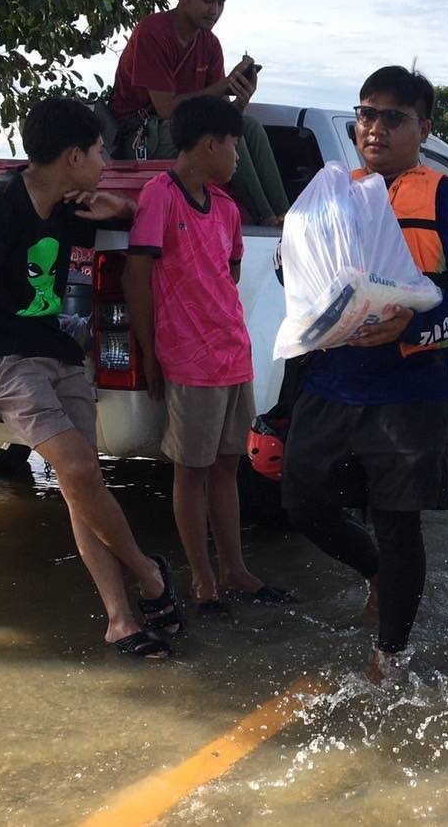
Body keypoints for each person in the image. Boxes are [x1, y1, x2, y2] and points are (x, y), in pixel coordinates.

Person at [0, 97, 183, 658]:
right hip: (2, 356)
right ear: (73, 156)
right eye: (98, 152)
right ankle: (150, 576)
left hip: (62, 352)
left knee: (79, 486)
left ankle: (120, 619)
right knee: (76, 467)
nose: (103, 160)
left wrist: (113, 203)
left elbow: (140, 216)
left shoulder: (71, 205)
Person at [280, 66, 448, 683]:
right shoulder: (331, 191)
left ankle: (390, 654)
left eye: (392, 118)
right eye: (365, 114)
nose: (373, 128)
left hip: (409, 389)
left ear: (423, 128)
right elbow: (297, 275)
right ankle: (374, 571)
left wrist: (409, 330)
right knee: (301, 500)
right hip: (330, 379)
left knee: (399, 522)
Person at [122, 96, 293, 610]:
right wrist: (151, 352)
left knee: (226, 466)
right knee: (190, 471)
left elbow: (230, 272)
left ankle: (235, 570)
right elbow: (137, 274)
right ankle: (203, 580)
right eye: (236, 145)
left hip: (232, 353)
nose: (239, 157)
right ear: (210, 143)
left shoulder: (226, 208)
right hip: (189, 359)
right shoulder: (161, 196)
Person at [109, 0, 290, 225]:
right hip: (142, 133)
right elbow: (166, 108)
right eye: (208, 0)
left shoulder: (210, 44)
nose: (214, 11)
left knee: (249, 127)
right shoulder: (153, 32)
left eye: (221, 3)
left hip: (183, 129)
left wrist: (240, 97)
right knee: (218, 133)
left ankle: (284, 213)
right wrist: (223, 86)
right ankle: (265, 218)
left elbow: (223, 113)